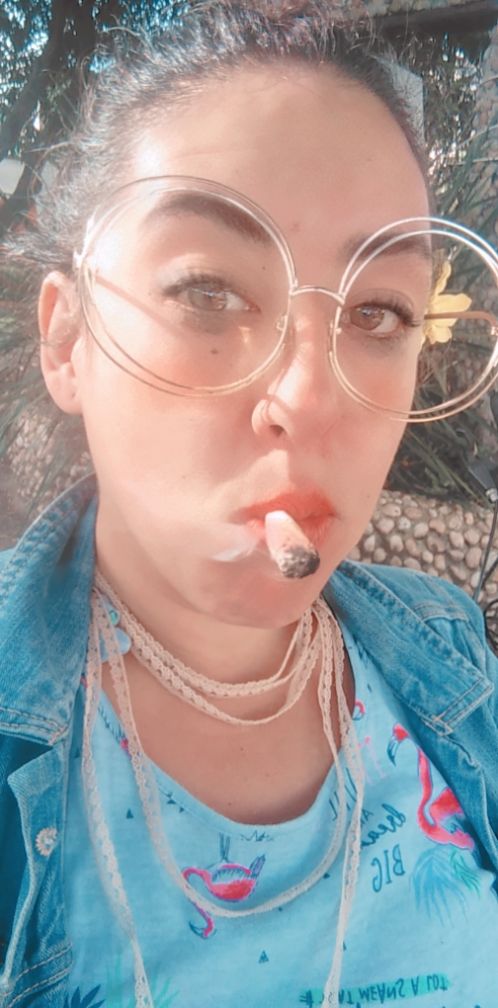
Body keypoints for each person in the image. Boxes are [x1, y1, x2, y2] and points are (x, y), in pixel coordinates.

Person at [1, 3, 498, 1007]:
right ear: (67, 341)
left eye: (378, 311)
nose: (309, 400)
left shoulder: (450, 653)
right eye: (207, 293)